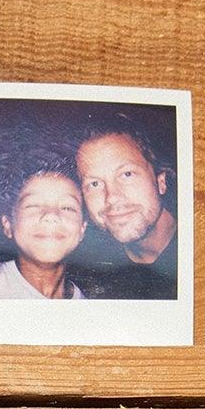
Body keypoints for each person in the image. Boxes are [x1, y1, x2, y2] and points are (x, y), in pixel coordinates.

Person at [73, 120, 178, 299]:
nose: (111, 196)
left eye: (127, 174)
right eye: (95, 184)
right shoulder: (92, 276)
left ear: (160, 182)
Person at [0, 158, 86, 300]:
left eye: (67, 207)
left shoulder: (92, 311)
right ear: (8, 225)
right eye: (33, 205)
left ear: (82, 229)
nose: (51, 215)